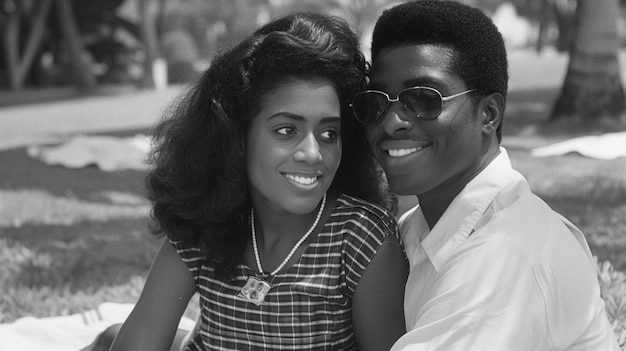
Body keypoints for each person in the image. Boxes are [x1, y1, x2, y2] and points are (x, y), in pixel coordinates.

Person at [85, 11, 408, 351]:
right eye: (287, 130)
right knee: (110, 338)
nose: (313, 153)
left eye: (329, 132)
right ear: (238, 135)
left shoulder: (362, 240)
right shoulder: (205, 223)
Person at [349, 1, 620, 350]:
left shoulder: (506, 254)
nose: (391, 121)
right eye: (378, 101)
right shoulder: (416, 227)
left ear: (488, 114)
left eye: (423, 99)